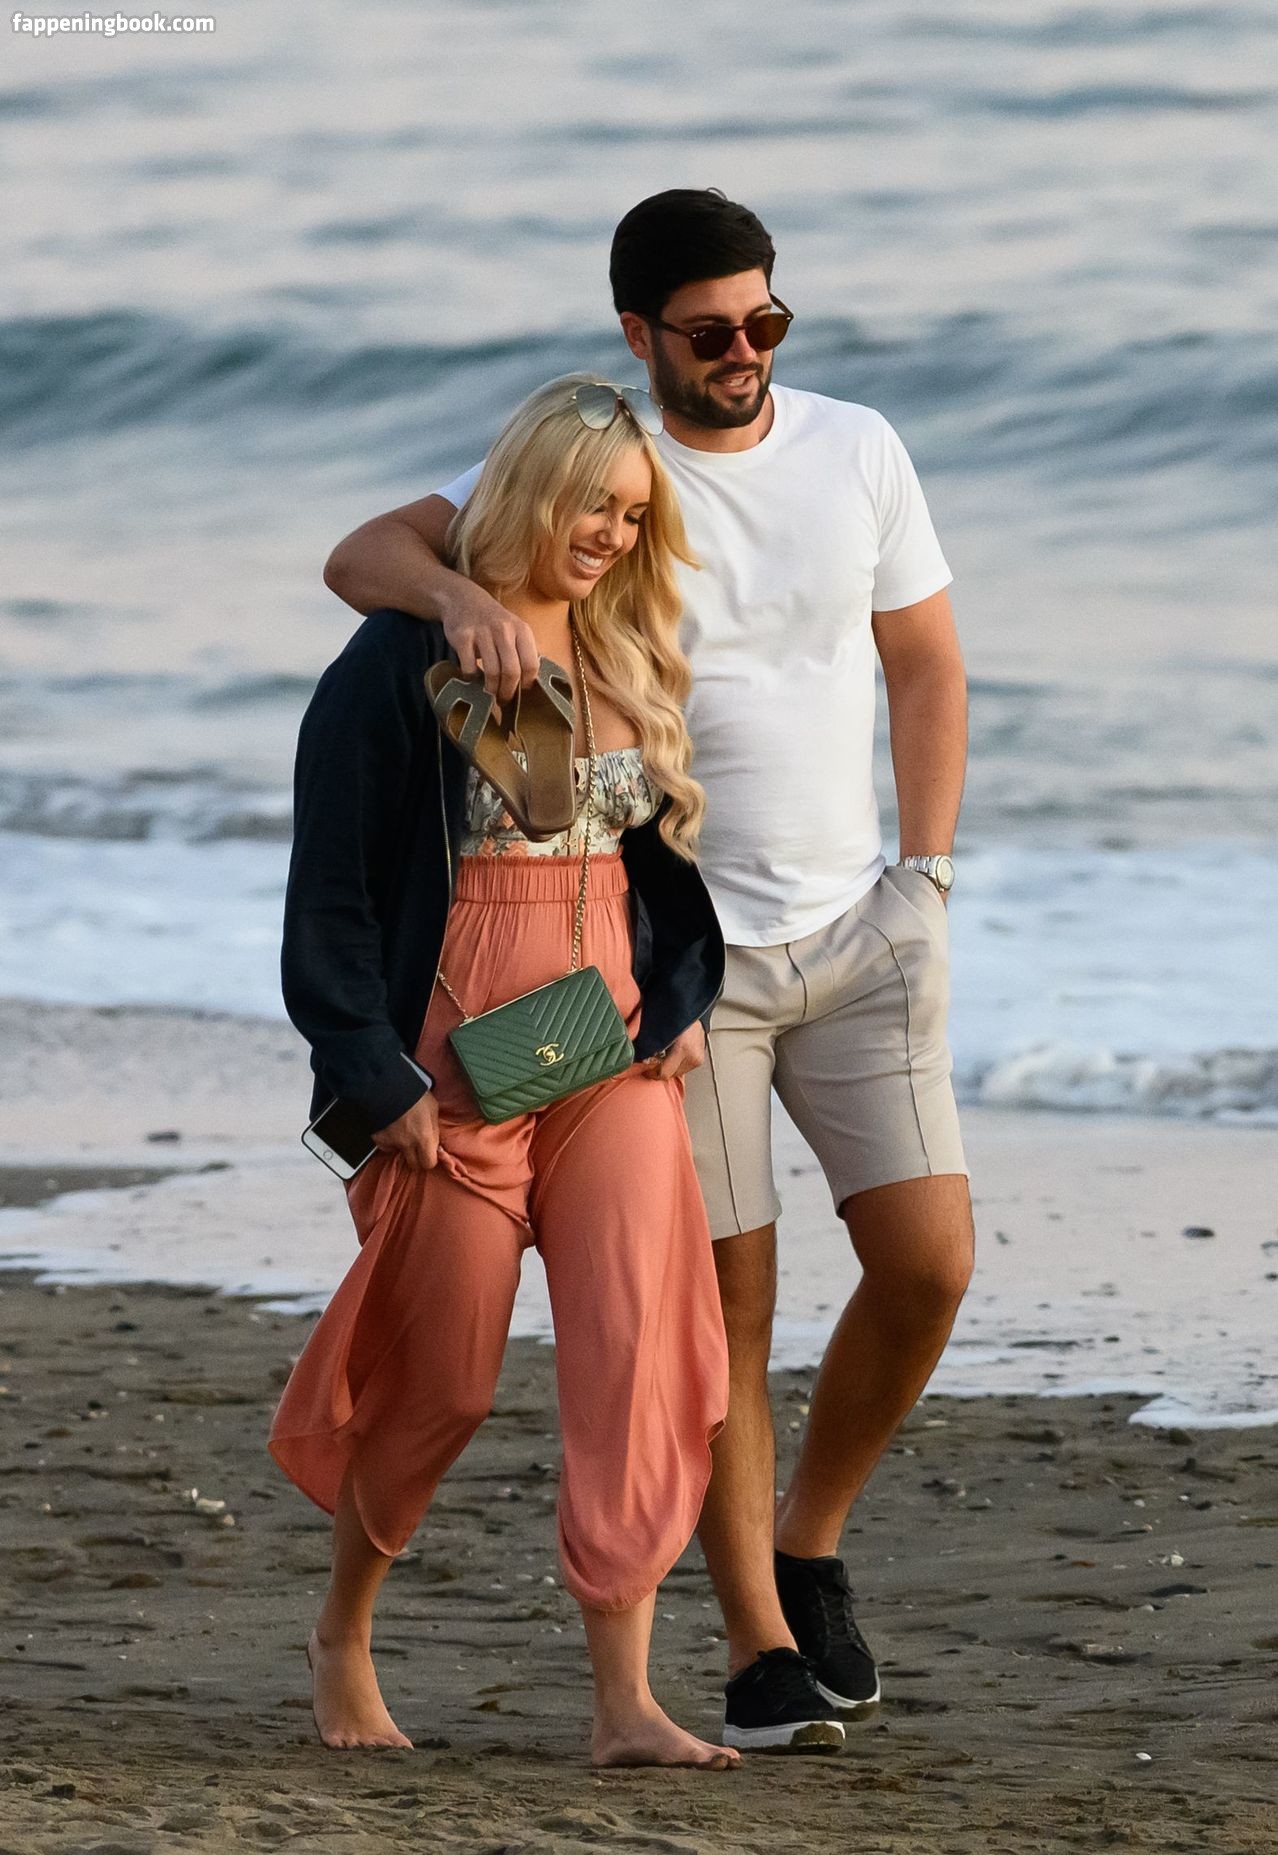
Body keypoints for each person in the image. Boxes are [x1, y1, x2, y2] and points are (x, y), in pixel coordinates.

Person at [322, 189, 974, 1755]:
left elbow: (918, 666)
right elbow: (361, 565)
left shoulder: (847, 458)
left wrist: (923, 876)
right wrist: (457, 601)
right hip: (633, 986)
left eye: (766, 322)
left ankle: (780, 1565)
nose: (744, 352)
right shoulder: (582, 485)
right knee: (673, 1312)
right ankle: (742, 1648)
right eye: (709, 331)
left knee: (901, 1272)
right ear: (637, 335)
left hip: (818, 946)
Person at [271, 374, 740, 1769]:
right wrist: (371, 1073)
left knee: (635, 1352)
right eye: (592, 504)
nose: (610, 535)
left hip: (604, 1053)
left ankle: (624, 1701)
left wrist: (679, 998)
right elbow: (330, 898)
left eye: (632, 515)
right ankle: (344, 1634)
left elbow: (656, 869)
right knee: (444, 1378)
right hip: (451, 1071)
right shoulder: (398, 659)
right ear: (525, 488)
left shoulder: (625, 647)